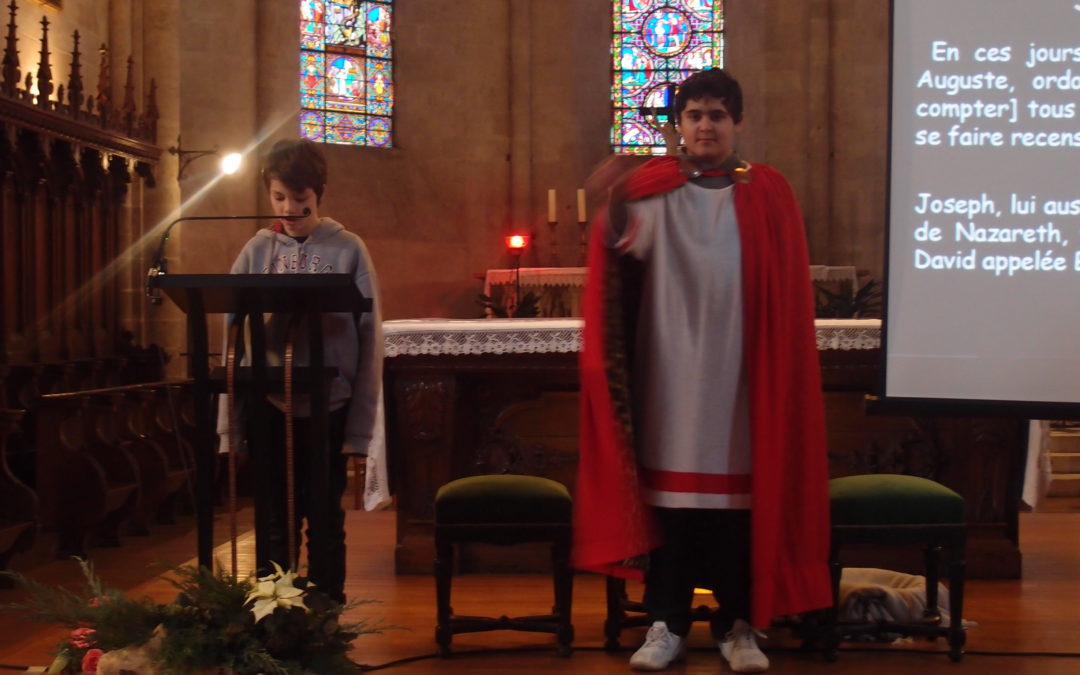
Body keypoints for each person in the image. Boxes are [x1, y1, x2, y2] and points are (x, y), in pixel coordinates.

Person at [573, 68, 832, 672]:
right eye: (694, 115)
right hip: (669, 374)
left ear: (737, 122)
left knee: (738, 512)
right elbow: (618, 253)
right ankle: (665, 621)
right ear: (678, 126)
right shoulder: (652, 192)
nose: (706, 125)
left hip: (744, 378)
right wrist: (614, 198)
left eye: (717, 114)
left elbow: (786, 293)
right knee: (673, 508)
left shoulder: (768, 191)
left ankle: (738, 624)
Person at [217, 139, 383, 604]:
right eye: (279, 199)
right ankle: (275, 609)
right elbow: (230, 335)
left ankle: (326, 610)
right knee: (273, 514)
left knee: (324, 512)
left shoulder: (349, 249)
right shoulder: (256, 250)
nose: (289, 209)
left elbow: (369, 335)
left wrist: (360, 429)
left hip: (329, 403)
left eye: (300, 200)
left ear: (320, 193)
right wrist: (230, 425)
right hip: (270, 400)